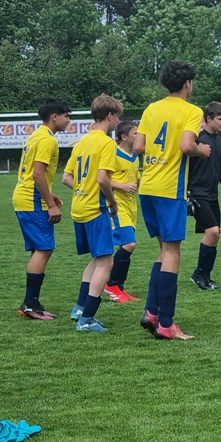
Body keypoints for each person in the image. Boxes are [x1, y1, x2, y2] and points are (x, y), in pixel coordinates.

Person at [133, 60, 210, 340]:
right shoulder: (192, 111)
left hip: (148, 186)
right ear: (188, 83)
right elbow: (186, 145)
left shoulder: (152, 108)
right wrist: (201, 150)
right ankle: (166, 323)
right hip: (169, 188)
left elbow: (138, 146)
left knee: (164, 251)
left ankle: (152, 311)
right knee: (172, 253)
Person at [62, 94, 121, 332]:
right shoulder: (107, 143)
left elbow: (66, 177)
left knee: (97, 259)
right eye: (118, 117)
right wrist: (113, 201)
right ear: (110, 115)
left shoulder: (81, 142)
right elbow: (102, 179)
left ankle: (79, 308)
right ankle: (87, 319)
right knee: (106, 262)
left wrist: (82, 190)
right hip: (96, 209)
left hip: (79, 207)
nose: (119, 122)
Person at [12, 98, 71, 320]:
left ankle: (32, 302)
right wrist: (50, 204)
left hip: (25, 196)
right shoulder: (47, 140)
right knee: (44, 249)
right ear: (54, 116)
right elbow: (37, 174)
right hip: (32, 199)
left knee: (39, 249)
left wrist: (50, 195)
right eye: (66, 116)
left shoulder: (36, 135)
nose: (68, 120)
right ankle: (30, 304)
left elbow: (31, 173)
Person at [187, 101, 221, 290]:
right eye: (220, 119)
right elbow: (186, 169)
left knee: (215, 235)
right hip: (197, 194)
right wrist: (188, 194)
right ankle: (199, 274)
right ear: (208, 119)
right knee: (212, 232)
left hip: (212, 196)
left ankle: (204, 276)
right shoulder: (197, 141)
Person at [103, 120, 141, 304]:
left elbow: (136, 178)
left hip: (131, 206)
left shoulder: (134, 155)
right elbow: (100, 179)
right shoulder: (113, 154)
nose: (139, 136)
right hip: (116, 206)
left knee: (126, 246)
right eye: (135, 133)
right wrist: (121, 185)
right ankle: (111, 285)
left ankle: (119, 288)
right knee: (129, 244)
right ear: (124, 136)